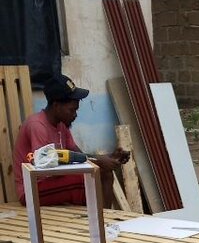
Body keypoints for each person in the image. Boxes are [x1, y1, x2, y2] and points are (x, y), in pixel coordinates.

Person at [12, 74, 129, 208]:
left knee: (104, 173)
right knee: (82, 182)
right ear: (56, 106)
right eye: (72, 110)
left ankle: (106, 219)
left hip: (53, 182)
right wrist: (99, 160)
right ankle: (96, 222)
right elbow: (44, 169)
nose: (75, 115)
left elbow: (80, 156)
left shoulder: (62, 124)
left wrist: (108, 158)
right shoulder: (37, 126)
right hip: (32, 189)